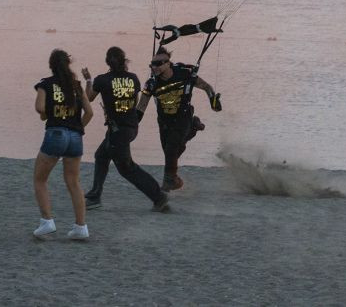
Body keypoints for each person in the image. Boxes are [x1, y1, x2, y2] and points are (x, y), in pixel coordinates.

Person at [81, 46, 170, 212]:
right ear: (124, 61)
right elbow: (133, 103)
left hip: (118, 131)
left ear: (108, 62)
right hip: (131, 126)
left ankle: (159, 197)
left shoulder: (102, 80)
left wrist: (88, 80)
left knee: (127, 168)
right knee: (101, 155)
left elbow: (88, 99)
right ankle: (94, 196)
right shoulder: (133, 78)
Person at [136, 47, 221, 192]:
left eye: (158, 63)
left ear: (168, 63)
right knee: (173, 152)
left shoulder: (184, 74)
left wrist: (214, 103)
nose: (154, 67)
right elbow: (141, 107)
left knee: (171, 149)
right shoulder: (151, 83)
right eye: (152, 64)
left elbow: (207, 87)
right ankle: (194, 127)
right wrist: (130, 124)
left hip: (183, 117)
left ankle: (168, 182)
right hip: (164, 122)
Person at [32, 49, 94, 240]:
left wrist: (48, 114)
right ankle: (81, 226)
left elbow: (40, 108)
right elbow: (89, 112)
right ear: (68, 64)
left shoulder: (45, 84)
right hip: (75, 136)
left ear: (51, 65)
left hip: (56, 133)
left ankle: (47, 221)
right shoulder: (76, 85)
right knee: (73, 182)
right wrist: (77, 128)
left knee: (40, 179)